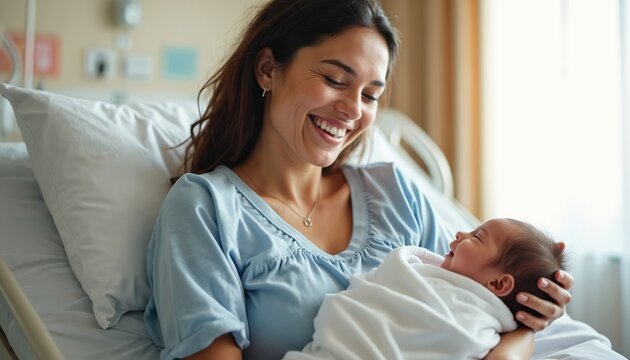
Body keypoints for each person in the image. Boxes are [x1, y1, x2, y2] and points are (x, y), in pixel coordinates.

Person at [143, 1, 573, 359]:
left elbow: (476, 300)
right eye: (334, 80)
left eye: (370, 95)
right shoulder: (205, 209)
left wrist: (526, 321)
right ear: (268, 69)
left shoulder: (396, 195)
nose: (353, 109)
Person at [282, 218, 565, 360]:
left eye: (476, 237)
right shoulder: (422, 276)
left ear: (498, 284)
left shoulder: (480, 320)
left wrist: (526, 328)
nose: (459, 234)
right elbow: (368, 299)